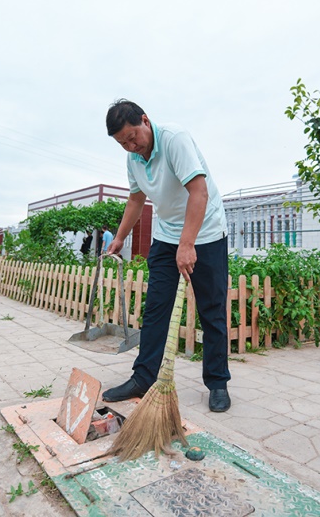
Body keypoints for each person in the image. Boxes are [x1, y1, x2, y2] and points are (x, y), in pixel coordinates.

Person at [101, 99, 231, 413]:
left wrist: (188, 245)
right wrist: (120, 237)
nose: (131, 145)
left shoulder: (175, 139)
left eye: (133, 137)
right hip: (167, 235)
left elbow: (199, 192)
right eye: (123, 143)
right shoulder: (134, 159)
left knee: (211, 310)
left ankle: (217, 383)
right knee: (157, 307)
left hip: (207, 232)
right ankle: (143, 377)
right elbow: (136, 199)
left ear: (146, 121)